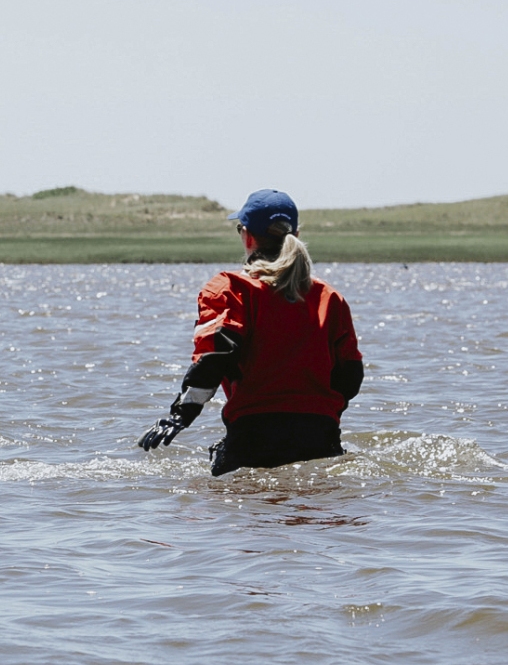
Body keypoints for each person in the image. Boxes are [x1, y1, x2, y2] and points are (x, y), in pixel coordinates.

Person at [138, 189, 363, 475]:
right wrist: (321, 414)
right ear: (295, 233)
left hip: (253, 436)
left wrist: (178, 417)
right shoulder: (330, 298)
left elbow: (214, 358)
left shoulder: (230, 289)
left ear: (247, 236)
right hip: (321, 436)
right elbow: (351, 376)